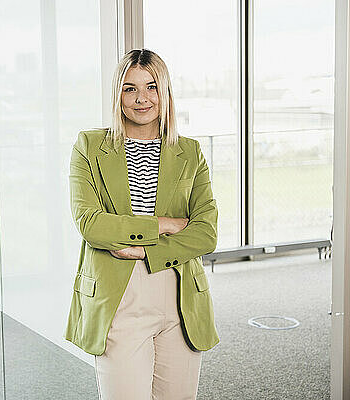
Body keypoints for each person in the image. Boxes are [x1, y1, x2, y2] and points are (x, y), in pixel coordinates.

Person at [63, 48, 219, 400]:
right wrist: (162, 223)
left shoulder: (190, 152)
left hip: (180, 296)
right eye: (130, 88)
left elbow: (206, 232)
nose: (142, 98)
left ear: (165, 94)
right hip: (120, 295)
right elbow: (91, 224)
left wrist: (147, 249)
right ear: (118, 94)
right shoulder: (89, 146)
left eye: (151, 87)